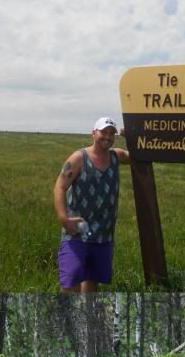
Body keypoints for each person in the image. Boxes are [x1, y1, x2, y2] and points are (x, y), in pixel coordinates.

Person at [54, 117, 130, 292]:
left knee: (92, 281)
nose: (108, 137)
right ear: (94, 133)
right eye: (104, 132)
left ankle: (87, 317)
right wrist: (64, 219)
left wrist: (131, 138)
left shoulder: (116, 156)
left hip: (104, 234)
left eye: (112, 133)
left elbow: (137, 157)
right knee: (71, 281)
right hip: (77, 232)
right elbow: (60, 186)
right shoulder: (79, 158)